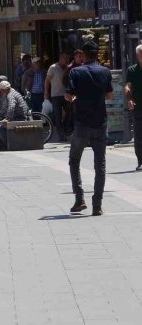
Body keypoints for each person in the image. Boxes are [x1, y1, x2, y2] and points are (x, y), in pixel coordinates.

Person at [66, 41, 113, 216]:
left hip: (81, 123)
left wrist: (74, 97)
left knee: (74, 160)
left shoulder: (76, 72)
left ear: (84, 55)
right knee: (100, 165)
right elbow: (109, 95)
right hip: (100, 122)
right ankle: (97, 205)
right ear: (97, 54)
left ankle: (79, 199)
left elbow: (69, 95)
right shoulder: (105, 71)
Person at [0, 81, 29, 147]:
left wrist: (7, 119)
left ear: (3, 90)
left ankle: (7, 143)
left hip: (19, 117)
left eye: (0, 89)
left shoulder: (11, 96)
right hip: (16, 116)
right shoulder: (11, 92)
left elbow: (11, 107)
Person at [124, 44, 142, 172]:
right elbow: (127, 86)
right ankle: (140, 161)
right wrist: (129, 98)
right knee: (139, 134)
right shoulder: (132, 70)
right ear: (137, 55)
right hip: (138, 106)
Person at [45, 52, 71, 142]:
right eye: (65, 58)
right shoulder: (53, 67)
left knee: (69, 112)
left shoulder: (68, 68)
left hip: (66, 95)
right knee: (58, 115)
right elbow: (47, 81)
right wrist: (46, 93)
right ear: (60, 58)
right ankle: (60, 134)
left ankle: (65, 129)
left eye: (67, 59)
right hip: (56, 95)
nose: (66, 60)